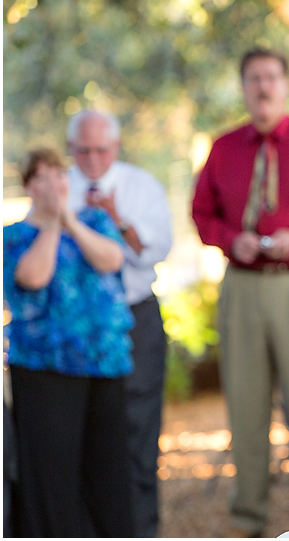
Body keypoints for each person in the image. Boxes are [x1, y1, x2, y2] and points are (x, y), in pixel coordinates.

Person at [192, 47, 289, 536]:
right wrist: (227, 239)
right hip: (242, 288)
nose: (262, 87)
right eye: (254, 78)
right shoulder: (223, 147)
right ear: (244, 87)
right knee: (245, 405)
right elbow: (202, 214)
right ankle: (248, 518)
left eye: (271, 78)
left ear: (285, 85)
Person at [3, 147, 135, 537]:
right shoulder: (14, 236)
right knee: (52, 473)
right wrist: (53, 225)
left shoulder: (94, 220)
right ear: (29, 185)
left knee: (109, 471)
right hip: (45, 369)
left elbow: (112, 259)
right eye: (44, 176)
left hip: (104, 362)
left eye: (60, 174)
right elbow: (34, 277)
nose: (55, 183)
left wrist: (71, 222)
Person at [65, 108, 173, 538]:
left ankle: (142, 528)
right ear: (71, 149)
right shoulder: (59, 187)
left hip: (134, 317)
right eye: (83, 150)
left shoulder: (140, 185)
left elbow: (157, 250)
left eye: (101, 150)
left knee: (139, 430)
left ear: (116, 146)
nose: (92, 159)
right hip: (78, 324)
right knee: (82, 432)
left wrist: (116, 218)